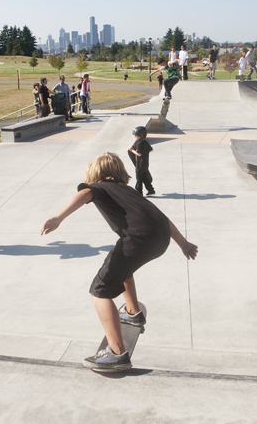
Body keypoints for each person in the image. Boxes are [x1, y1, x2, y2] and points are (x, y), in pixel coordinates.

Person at [40, 152, 198, 371]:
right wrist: (183, 243)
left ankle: (116, 354)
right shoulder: (130, 191)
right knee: (122, 265)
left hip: (138, 239)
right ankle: (133, 312)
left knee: (100, 289)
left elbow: (85, 193)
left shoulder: (98, 188)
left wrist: (59, 217)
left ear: (94, 174)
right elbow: (162, 217)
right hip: (160, 238)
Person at [128, 126, 154, 197]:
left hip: (139, 165)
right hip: (145, 164)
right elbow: (151, 149)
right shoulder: (145, 142)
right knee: (145, 178)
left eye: (136, 135)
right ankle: (151, 190)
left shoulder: (139, 143)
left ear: (141, 135)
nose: (135, 137)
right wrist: (145, 153)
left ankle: (138, 193)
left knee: (139, 179)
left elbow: (139, 154)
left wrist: (132, 150)